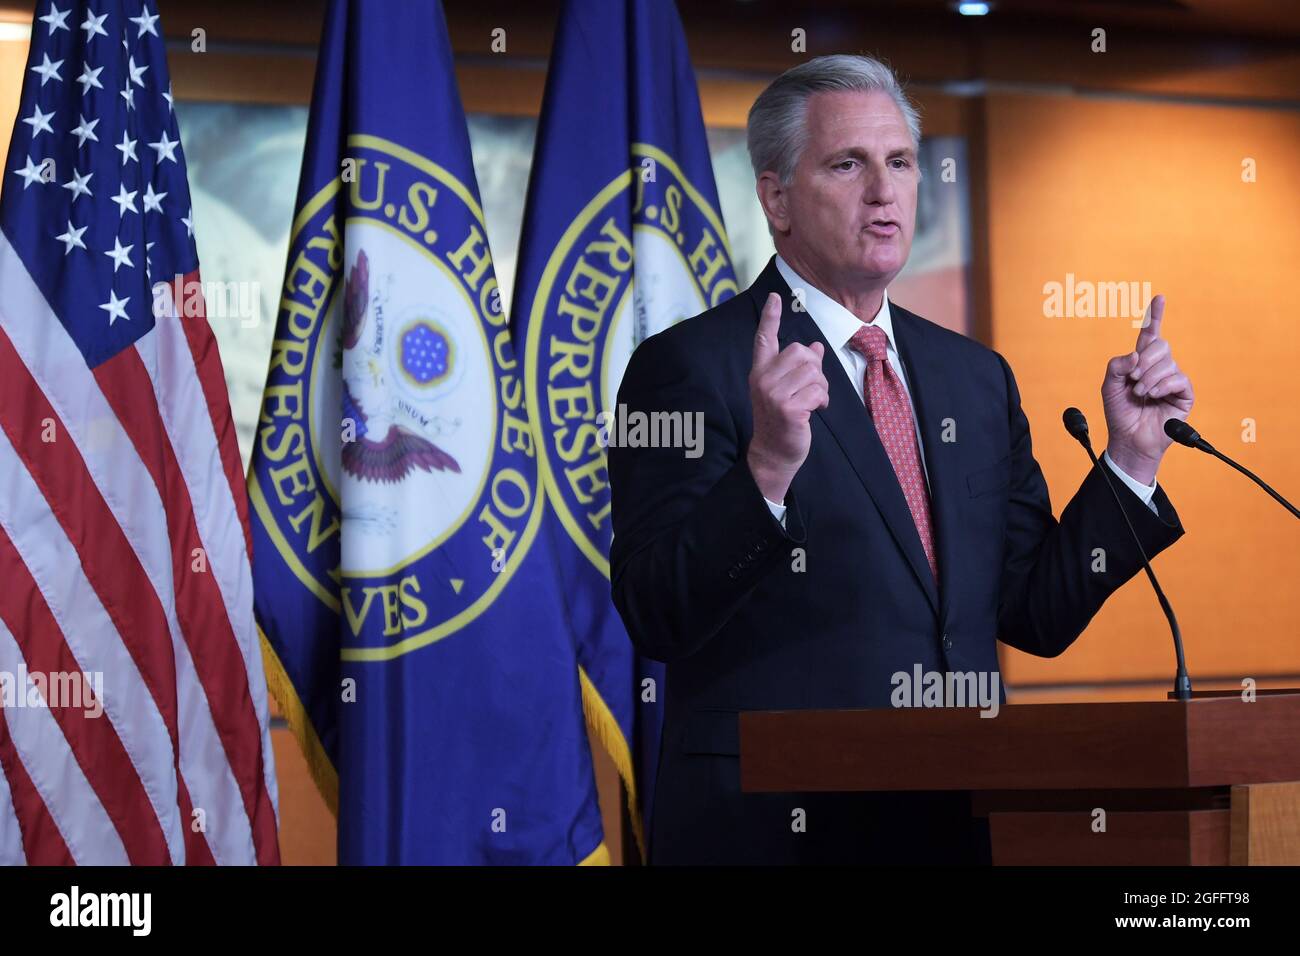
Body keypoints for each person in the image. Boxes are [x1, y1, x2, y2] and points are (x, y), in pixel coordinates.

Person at [608, 55, 1194, 865]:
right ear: (775, 197)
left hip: (948, 824)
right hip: (772, 832)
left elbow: (1034, 615)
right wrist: (768, 469)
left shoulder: (974, 377)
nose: (884, 192)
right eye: (848, 164)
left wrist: (1130, 459)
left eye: (901, 163)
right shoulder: (691, 367)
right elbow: (654, 612)